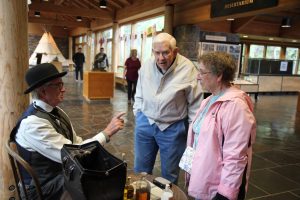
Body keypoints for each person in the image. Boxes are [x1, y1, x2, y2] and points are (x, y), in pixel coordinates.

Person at [10, 63, 125, 200]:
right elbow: (72, 156)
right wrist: (106, 133)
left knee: (99, 173)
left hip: (59, 174)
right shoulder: (32, 125)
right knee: (97, 184)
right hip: (41, 189)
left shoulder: (57, 111)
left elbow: (76, 144)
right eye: (58, 85)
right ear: (43, 92)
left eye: (62, 84)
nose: (63, 89)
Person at [185, 52, 256, 200]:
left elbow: (235, 157)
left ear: (219, 76)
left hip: (216, 187)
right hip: (205, 176)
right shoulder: (210, 99)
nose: (198, 76)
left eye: (202, 72)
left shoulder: (235, 106)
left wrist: (225, 194)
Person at [133, 33, 202, 183]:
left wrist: (193, 132)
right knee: (140, 172)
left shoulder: (188, 69)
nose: (161, 58)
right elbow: (139, 91)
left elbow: (195, 104)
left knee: (169, 176)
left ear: (175, 51)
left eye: (165, 52)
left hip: (173, 127)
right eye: (157, 53)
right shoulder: (146, 65)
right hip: (146, 122)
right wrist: (138, 113)